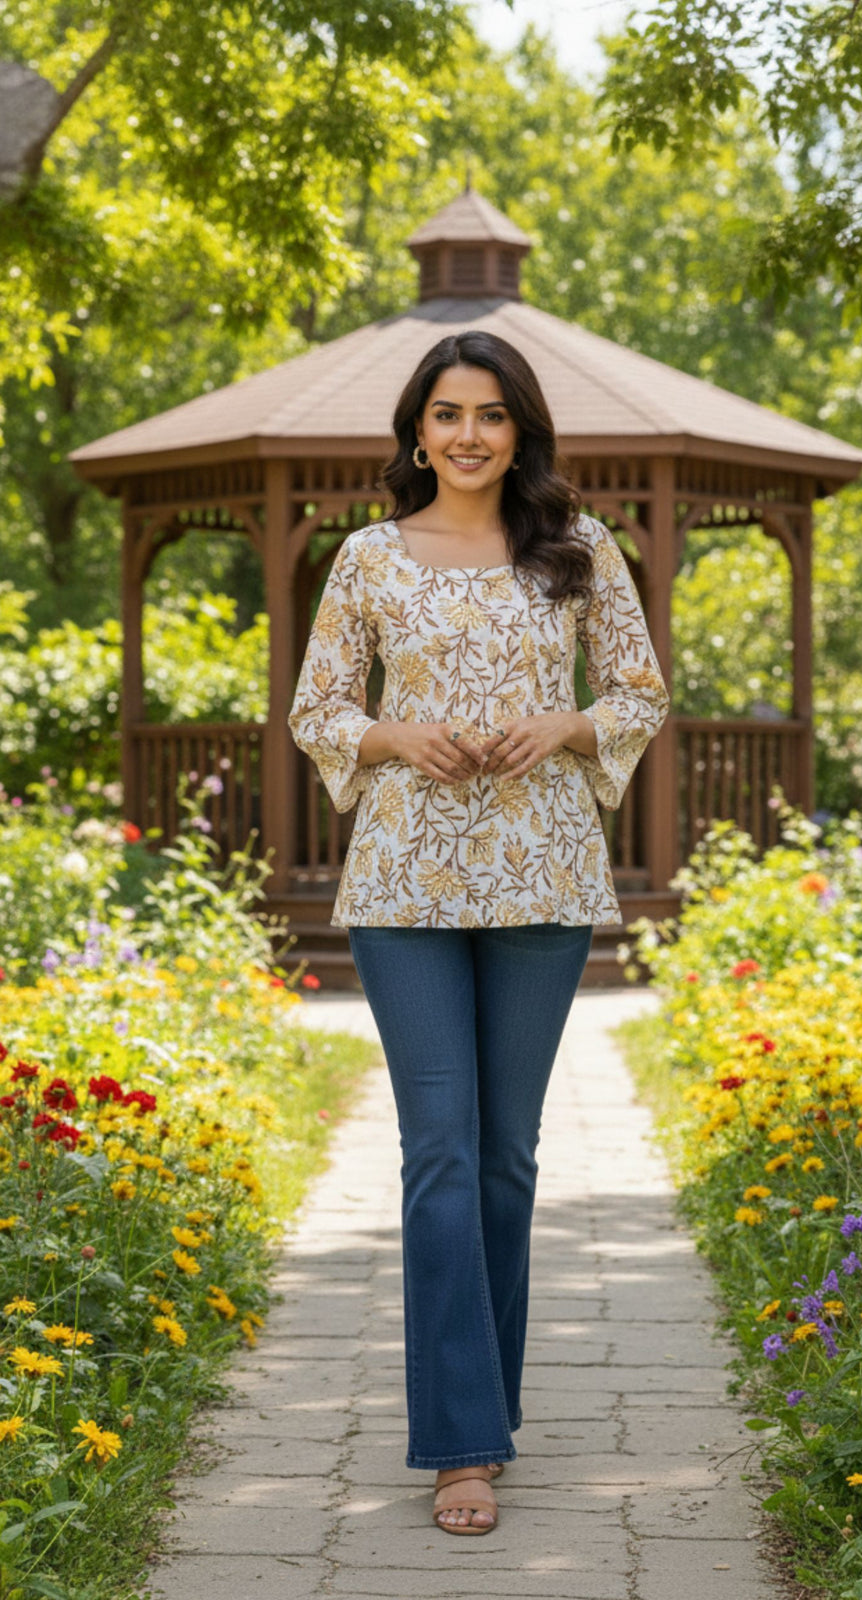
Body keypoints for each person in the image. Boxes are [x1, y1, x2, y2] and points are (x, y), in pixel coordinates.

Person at [288, 330, 670, 1536]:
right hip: (404, 881)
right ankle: (459, 1444)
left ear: (520, 432)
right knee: (437, 1153)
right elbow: (320, 707)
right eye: (447, 414)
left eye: (491, 415)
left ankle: (484, 1411)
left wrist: (562, 729)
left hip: (543, 874)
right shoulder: (363, 558)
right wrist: (397, 739)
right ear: (417, 431)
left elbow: (640, 691)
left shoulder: (578, 550)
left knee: (508, 1156)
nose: (467, 435)